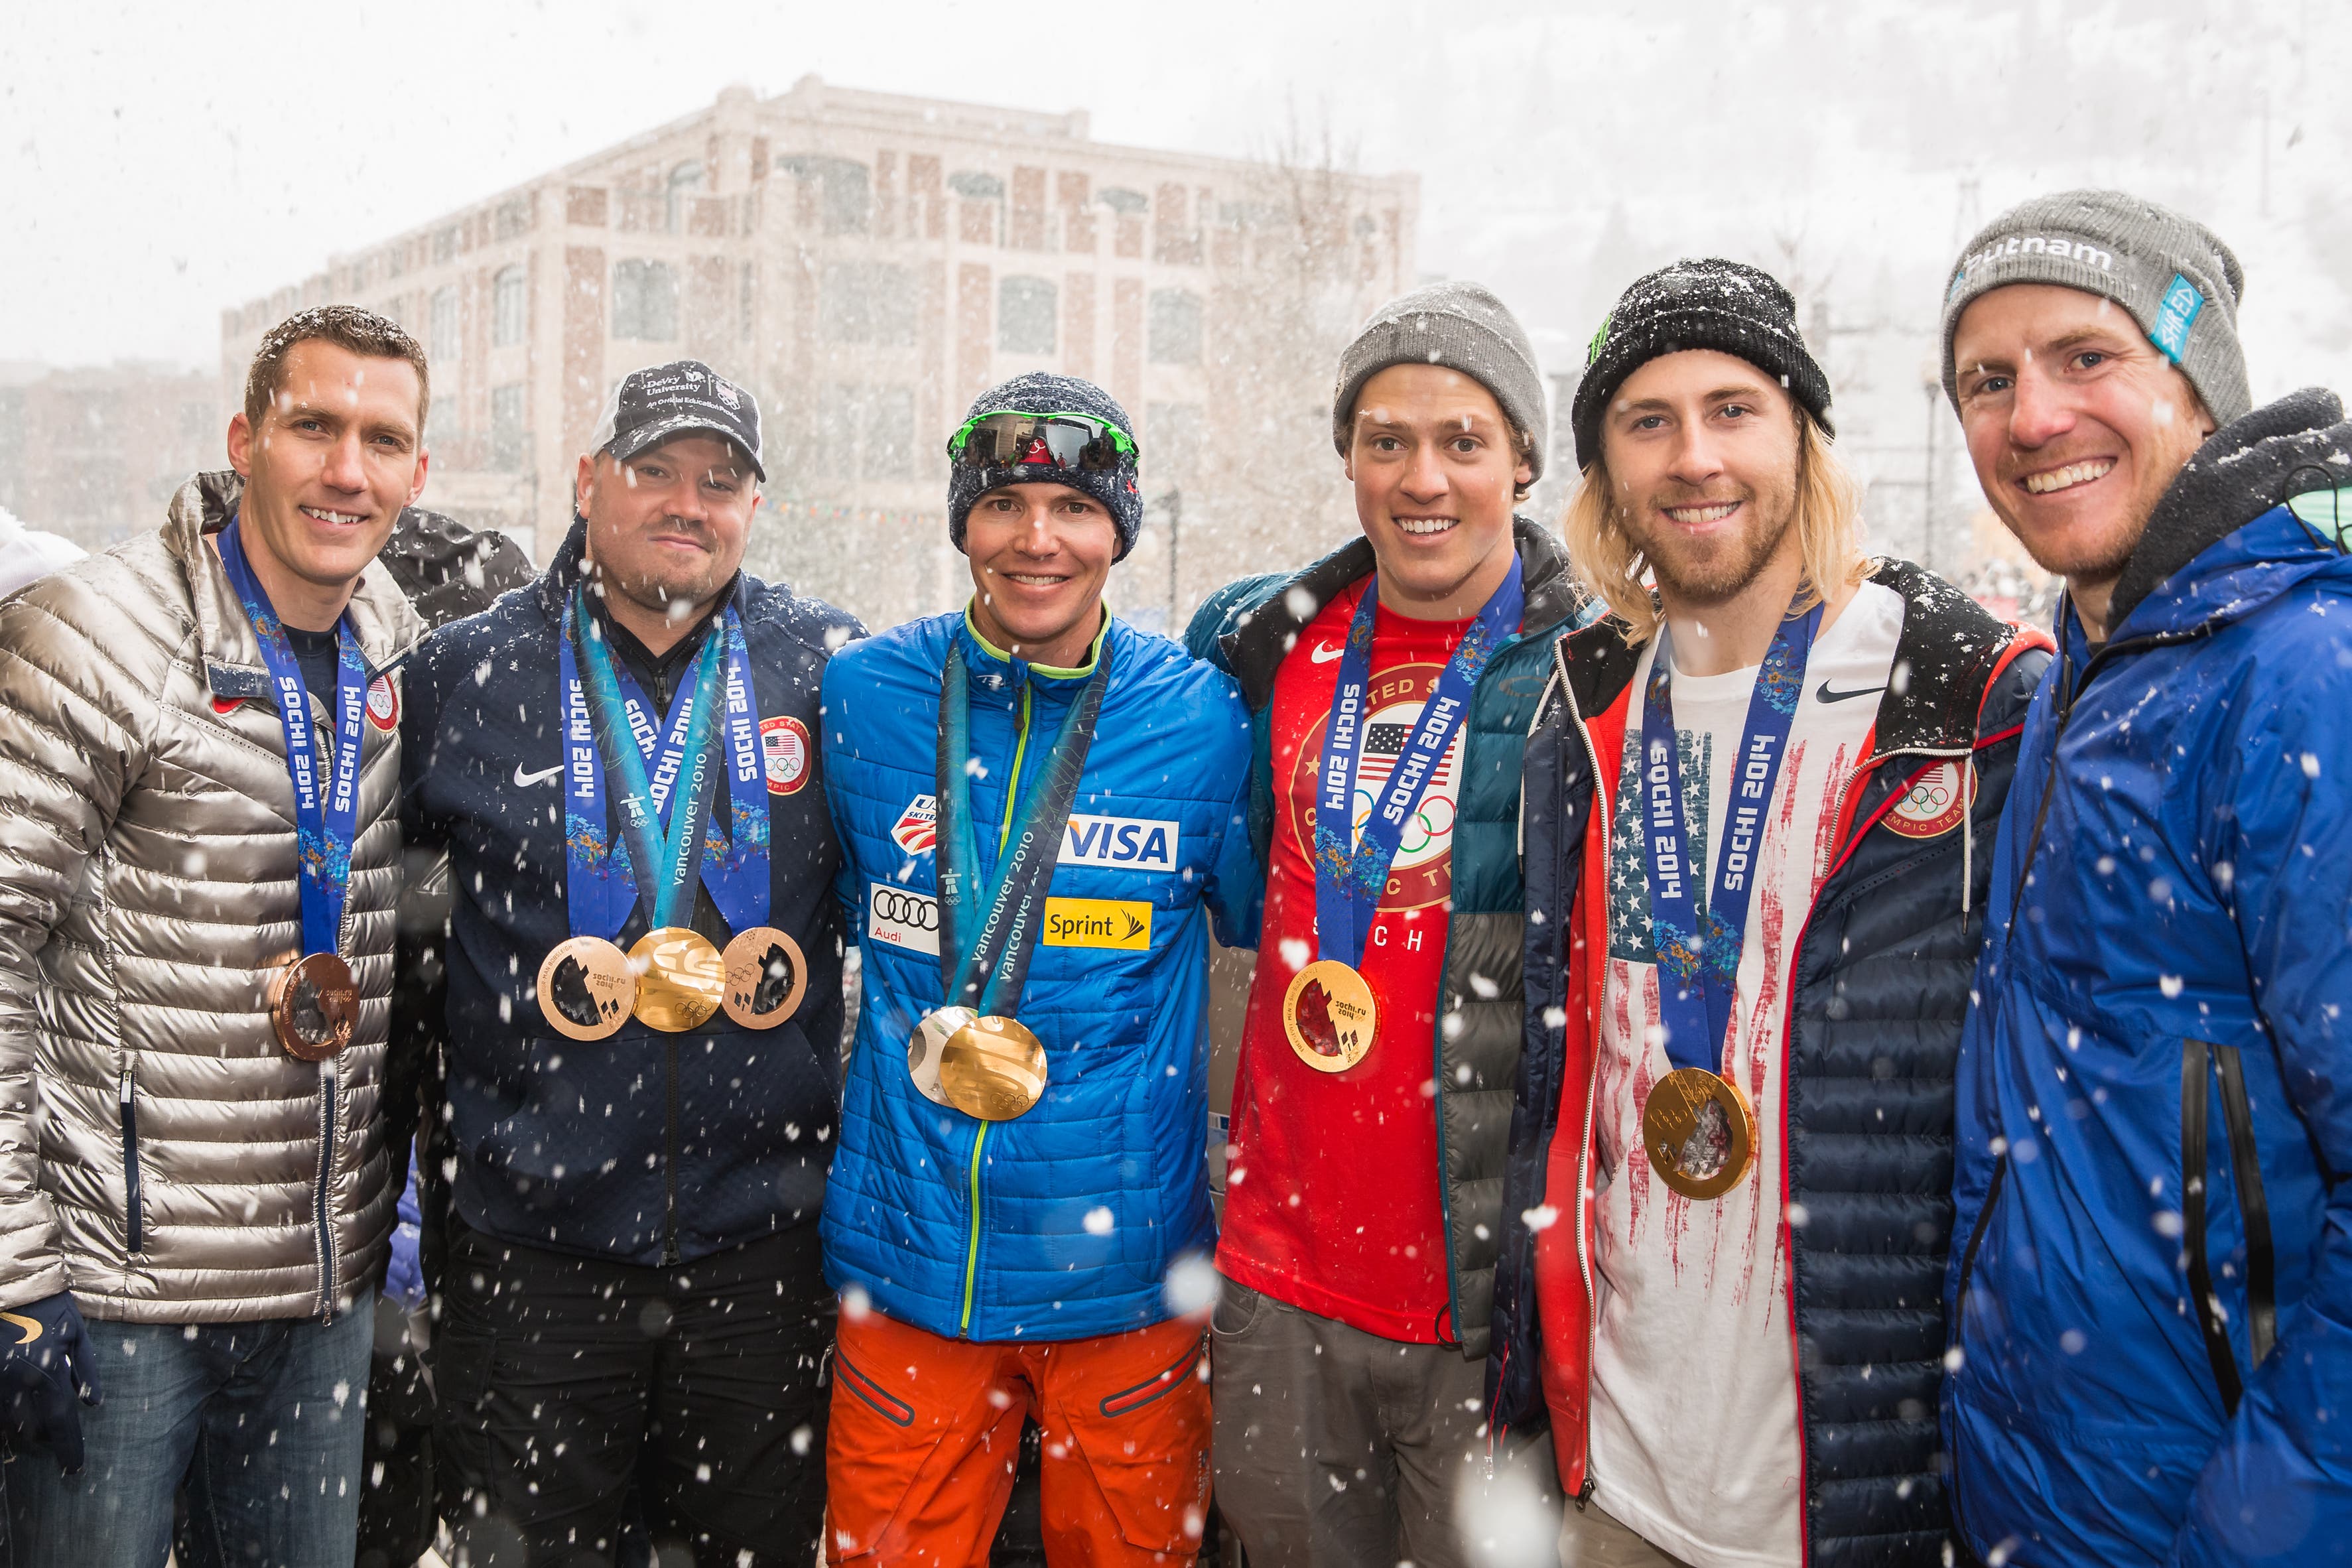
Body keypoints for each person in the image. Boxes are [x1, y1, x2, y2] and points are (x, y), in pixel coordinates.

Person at [1494, 259, 2048, 1568]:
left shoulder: (1966, 707)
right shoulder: (1590, 712)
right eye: (1648, 421)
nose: (1696, 458)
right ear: (1606, 472)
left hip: (1864, 1494)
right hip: (1618, 1486)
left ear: (1801, 434)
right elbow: (1583, 1073)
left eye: (1733, 408)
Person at [1937, 192, 2352, 1566]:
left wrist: (2264, 1520)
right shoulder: (2084, 675)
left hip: (2197, 1512)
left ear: (2198, 382)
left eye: (2083, 357)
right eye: (1986, 381)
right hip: (2043, 1485)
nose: (2031, 417)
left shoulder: (2299, 677)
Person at [400, 360, 859, 1567]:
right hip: (534, 1261)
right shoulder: (462, 675)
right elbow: (402, 961)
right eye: (653, 469)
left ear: (753, 507)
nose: (686, 502)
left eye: (720, 480)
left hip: (763, 1259)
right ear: (586, 479)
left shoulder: (830, 672)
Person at [0, 305, 431, 1563]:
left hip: (318, 1294)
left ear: (419, 472)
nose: (347, 468)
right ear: (245, 439)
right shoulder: (96, 638)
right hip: (114, 1292)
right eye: (314, 426)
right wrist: (15, 1275)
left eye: (383, 439)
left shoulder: (398, 651)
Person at [1184, 281, 1591, 1567]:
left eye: (1464, 442)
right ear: (1350, 459)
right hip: (1275, 1278)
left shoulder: (1591, 666)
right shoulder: (1256, 650)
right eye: (1387, 441)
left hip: (1479, 1299)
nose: (1425, 478)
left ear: (1522, 461)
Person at [819, 371, 1257, 1567]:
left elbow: (1269, 926)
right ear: (963, 521)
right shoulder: (865, 695)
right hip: (911, 1278)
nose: (1036, 539)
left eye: (1072, 506)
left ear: (1119, 528)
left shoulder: (1204, 718)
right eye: (1004, 503)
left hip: (1123, 1294)